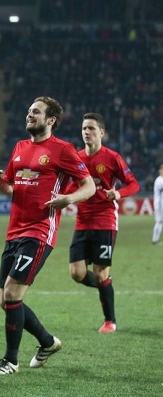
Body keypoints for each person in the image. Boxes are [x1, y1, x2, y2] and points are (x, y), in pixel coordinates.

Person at [0, 96, 95, 375]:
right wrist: (0, 182)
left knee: (12, 293)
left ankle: (10, 361)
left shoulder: (62, 150)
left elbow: (89, 186)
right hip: (14, 232)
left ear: (51, 120)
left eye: (36, 112)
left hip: (39, 232)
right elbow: (11, 189)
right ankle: (47, 342)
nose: (29, 115)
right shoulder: (20, 147)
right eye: (29, 110)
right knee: (5, 300)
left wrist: (67, 199)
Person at [66, 113, 139, 333]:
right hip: (82, 220)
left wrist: (118, 193)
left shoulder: (112, 157)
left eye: (91, 128)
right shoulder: (76, 158)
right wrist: (60, 197)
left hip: (105, 221)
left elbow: (133, 184)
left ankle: (110, 321)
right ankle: (105, 283)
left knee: (99, 272)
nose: (86, 132)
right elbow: (72, 186)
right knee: (76, 273)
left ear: (102, 132)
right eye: (83, 128)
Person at [153, 164, 163, 246]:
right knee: (159, 221)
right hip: (159, 204)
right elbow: (159, 194)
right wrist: (158, 206)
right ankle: (155, 240)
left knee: (160, 222)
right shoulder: (159, 180)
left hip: (160, 203)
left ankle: (156, 239)